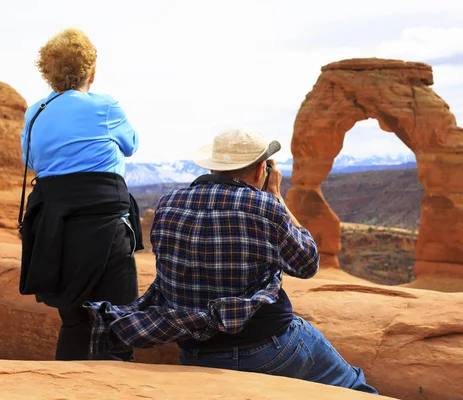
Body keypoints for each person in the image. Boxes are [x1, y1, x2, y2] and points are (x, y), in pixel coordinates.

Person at [85, 128, 377, 393]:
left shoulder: (167, 203)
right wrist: (276, 197)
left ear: (213, 165)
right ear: (262, 168)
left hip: (195, 352)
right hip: (268, 346)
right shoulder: (264, 206)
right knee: (354, 387)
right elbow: (307, 263)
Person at [18, 28, 143, 361]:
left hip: (53, 225)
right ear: (92, 71)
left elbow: (30, 161)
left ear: (49, 73)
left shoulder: (35, 112)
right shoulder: (104, 106)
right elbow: (131, 145)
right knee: (118, 319)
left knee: (74, 319)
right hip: (104, 222)